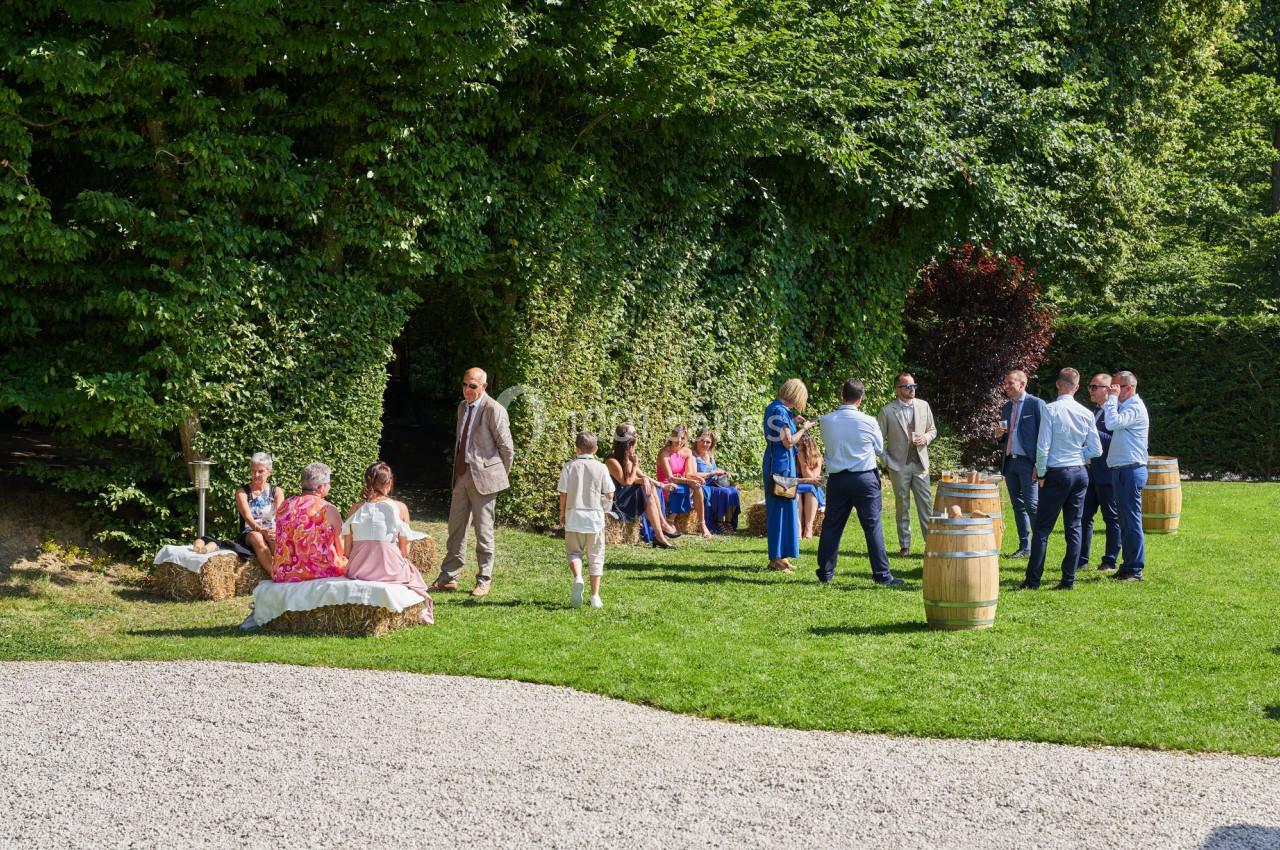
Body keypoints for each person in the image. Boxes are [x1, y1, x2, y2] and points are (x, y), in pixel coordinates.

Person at [433, 367, 514, 598]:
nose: (467, 390)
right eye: (465, 385)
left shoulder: (494, 409)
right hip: (461, 474)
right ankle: (448, 577)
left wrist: (498, 475)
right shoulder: (462, 407)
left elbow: (507, 449)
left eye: (473, 386)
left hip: (485, 479)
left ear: (484, 387)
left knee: (484, 532)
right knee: (455, 528)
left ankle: (484, 579)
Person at [1021, 368, 1102, 590]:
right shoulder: (1086, 412)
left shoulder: (1051, 409)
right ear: (1076, 387)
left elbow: (1043, 445)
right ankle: (1068, 580)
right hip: (1079, 472)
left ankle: (1033, 580)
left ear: (1058, 385)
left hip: (1057, 473)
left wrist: (1042, 471)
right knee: (1074, 527)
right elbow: (1096, 449)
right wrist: (1078, 455)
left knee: (1043, 528)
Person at [816, 379, 901, 586]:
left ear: (841, 394)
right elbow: (880, 448)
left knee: (832, 525)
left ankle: (826, 572)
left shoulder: (826, 420)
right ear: (860, 399)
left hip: (837, 478)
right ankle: (882, 575)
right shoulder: (869, 421)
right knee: (872, 526)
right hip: (864, 478)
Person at [341, 462, 433, 623]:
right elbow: (404, 551)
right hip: (390, 571)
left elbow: (347, 552)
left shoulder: (355, 509)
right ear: (389, 483)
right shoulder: (400, 508)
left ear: (367, 481)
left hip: (358, 570)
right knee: (413, 573)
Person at [876, 371, 937, 556]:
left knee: (926, 505)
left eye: (914, 386)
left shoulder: (923, 406)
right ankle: (905, 545)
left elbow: (933, 430)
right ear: (898, 389)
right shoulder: (887, 411)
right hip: (898, 465)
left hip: (920, 465)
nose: (912, 390)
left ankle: (931, 544)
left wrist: (925, 438)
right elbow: (877, 441)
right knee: (902, 505)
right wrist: (887, 462)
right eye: (908, 386)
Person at [558, 431, 616, 608]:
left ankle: (577, 577)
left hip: (574, 515)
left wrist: (562, 512)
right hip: (594, 517)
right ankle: (595, 596)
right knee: (596, 555)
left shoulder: (569, 466)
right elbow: (609, 493)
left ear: (576, 448)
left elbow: (563, 492)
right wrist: (604, 508)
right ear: (596, 449)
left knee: (573, 552)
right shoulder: (601, 468)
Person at [996, 369, 1049, 557]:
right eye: (1006, 383)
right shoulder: (1006, 407)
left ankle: (1039, 545)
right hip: (1010, 462)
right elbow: (1005, 435)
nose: (1007, 386)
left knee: (1032, 504)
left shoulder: (1036, 405)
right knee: (1017, 506)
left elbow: (1045, 436)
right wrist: (1000, 436)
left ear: (1023, 383)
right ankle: (1024, 546)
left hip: (1029, 463)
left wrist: (1040, 464)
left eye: (1010, 383)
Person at [1104, 370, 1151, 582]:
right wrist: (1113, 399)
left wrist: (1111, 399)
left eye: (1116, 387)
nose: (1112, 391)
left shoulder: (1134, 407)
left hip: (1130, 470)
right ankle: (1127, 566)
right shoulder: (1126, 406)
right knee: (1125, 521)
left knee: (1131, 522)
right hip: (1122, 470)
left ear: (1129, 388)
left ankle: (1135, 569)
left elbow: (1111, 423)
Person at [763, 379, 812, 572]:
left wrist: (792, 422)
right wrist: (803, 429)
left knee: (785, 510)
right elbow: (788, 441)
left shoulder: (775, 409)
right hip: (780, 467)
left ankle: (781, 557)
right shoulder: (780, 411)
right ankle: (776, 559)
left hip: (780, 464)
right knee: (779, 512)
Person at [605, 423, 679, 549]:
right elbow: (626, 482)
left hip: (628, 495)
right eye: (634, 434)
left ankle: (661, 528)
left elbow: (642, 475)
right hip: (617, 500)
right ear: (627, 440)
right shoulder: (611, 460)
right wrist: (635, 466)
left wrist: (661, 484)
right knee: (645, 489)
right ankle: (660, 533)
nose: (637, 436)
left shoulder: (628, 457)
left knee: (649, 486)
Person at [271, 462, 346, 583]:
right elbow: (342, 549)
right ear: (320, 487)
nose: (330, 486)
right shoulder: (327, 509)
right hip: (319, 572)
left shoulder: (284, 506)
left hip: (283, 573)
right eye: (329, 484)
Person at [1078, 373, 1121, 572]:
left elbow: (1115, 440)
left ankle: (1110, 560)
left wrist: (1091, 431)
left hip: (1108, 472)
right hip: (1090, 472)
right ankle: (1081, 559)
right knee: (1084, 517)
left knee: (1111, 518)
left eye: (1096, 387)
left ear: (1108, 389)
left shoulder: (1116, 412)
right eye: (1090, 386)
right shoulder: (1094, 412)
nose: (1091, 390)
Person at [657, 425, 711, 538]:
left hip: (682, 482)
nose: (679, 441)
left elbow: (689, 474)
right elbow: (670, 477)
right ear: (671, 437)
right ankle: (670, 521)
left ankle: (702, 524)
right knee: (684, 487)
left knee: (698, 487)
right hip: (667, 485)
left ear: (685, 439)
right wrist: (688, 481)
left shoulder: (687, 452)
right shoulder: (664, 453)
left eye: (682, 438)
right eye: (676, 437)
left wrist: (697, 479)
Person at [234, 452, 285, 571]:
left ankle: (285, 571)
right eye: (253, 471)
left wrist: (275, 529)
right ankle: (274, 574)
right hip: (250, 531)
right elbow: (247, 517)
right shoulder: (242, 492)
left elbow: (280, 516)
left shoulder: (276, 492)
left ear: (269, 472)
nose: (256, 475)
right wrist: (260, 530)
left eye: (260, 471)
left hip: (271, 528)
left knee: (274, 537)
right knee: (257, 537)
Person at [692, 428, 741, 534]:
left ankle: (728, 523)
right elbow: (693, 474)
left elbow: (715, 471)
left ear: (711, 444)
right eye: (702, 440)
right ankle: (719, 522)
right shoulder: (692, 456)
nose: (704, 444)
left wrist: (723, 472)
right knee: (725, 492)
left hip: (714, 483)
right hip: (702, 485)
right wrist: (712, 473)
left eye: (708, 442)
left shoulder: (709, 455)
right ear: (697, 440)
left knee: (734, 491)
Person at [794, 430, 825, 540]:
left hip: (811, 487)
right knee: (795, 490)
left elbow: (814, 480)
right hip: (797, 486)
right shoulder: (792, 457)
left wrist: (803, 463)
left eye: (801, 446)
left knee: (810, 488)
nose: (798, 448)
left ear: (808, 446)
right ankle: (798, 528)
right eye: (797, 445)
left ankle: (808, 528)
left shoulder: (817, 457)